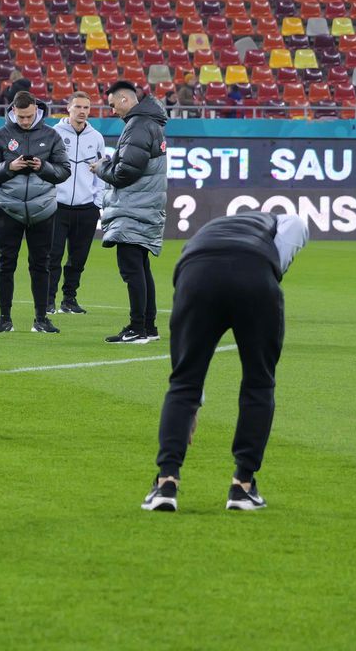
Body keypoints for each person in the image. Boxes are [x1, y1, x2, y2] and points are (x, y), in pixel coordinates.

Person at [140, 212, 309, 513]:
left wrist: (195, 402)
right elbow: (298, 225)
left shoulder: (205, 233)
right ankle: (242, 487)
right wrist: (269, 272)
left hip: (195, 277)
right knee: (259, 382)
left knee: (184, 382)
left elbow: (185, 363)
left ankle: (166, 484)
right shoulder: (278, 219)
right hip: (255, 276)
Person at [0, 90, 70, 334]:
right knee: (5, 264)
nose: (25, 121)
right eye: (21, 117)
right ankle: (4, 318)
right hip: (8, 207)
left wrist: (43, 167)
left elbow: (64, 171)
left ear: (37, 110)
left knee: (41, 265)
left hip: (43, 209)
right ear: (13, 112)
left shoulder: (51, 136)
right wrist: (9, 167)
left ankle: (41, 318)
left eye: (29, 116)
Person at [91, 81, 168, 344]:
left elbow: (125, 173)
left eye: (113, 105)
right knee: (141, 267)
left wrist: (101, 168)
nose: (112, 111)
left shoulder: (138, 126)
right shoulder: (149, 124)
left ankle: (138, 328)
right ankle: (148, 327)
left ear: (125, 99)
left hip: (134, 208)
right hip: (144, 205)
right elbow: (134, 164)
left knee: (132, 268)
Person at [47, 91, 105, 314]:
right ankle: (48, 300)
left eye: (86, 108)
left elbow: (101, 171)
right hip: (57, 206)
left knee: (78, 258)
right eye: (78, 107)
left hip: (86, 208)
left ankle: (69, 299)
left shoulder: (96, 137)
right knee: (53, 255)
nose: (82, 111)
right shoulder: (54, 134)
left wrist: (96, 203)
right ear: (68, 108)